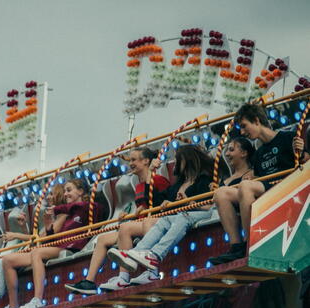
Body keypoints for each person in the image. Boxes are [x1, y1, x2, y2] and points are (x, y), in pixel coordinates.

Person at [107, 145, 224, 282]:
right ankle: (135, 253)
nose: (175, 162)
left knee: (181, 217)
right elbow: (157, 199)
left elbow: (210, 206)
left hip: (202, 214)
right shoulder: (178, 184)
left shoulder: (204, 180)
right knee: (165, 219)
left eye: (177, 158)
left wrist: (188, 202)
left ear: (186, 159)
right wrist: (166, 203)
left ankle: (155, 255)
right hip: (183, 215)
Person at [65, 147, 170, 294]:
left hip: (156, 222)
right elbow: (143, 206)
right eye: (130, 160)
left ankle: (125, 277)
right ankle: (89, 282)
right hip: (141, 223)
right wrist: (132, 214)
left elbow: (163, 201)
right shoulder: (139, 185)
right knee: (102, 239)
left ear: (146, 161)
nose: (130, 163)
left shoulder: (159, 180)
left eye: (134, 160)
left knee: (125, 228)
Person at [0, 179, 101, 308]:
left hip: (71, 247)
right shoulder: (67, 214)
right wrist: (48, 227)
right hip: (57, 246)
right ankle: (13, 306)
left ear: (81, 191)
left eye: (69, 190)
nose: (66, 194)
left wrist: (56, 209)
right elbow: (53, 238)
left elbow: (88, 208)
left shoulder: (89, 207)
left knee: (36, 253)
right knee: (8, 260)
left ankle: (38, 300)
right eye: (65, 191)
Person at [211, 103, 297, 264]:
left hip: (288, 188)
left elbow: (304, 163)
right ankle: (237, 246)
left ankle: (251, 242)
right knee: (221, 193)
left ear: (256, 121)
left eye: (244, 126)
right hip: (268, 190)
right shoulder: (259, 154)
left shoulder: (288, 137)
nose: (242, 132)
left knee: (245, 186)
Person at [0, 185, 67, 308]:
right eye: (49, 194)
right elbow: (35, 241)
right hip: (34, 251)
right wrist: (23, 228)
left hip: (42, 253)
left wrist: (16, 235)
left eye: (52, 194)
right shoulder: (50, 215)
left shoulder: (61, 216)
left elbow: (44, 239)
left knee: (7, 260)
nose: (48, 197)